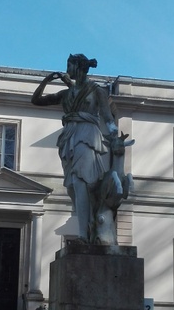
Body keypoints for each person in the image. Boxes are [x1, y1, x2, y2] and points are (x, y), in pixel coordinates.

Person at [31, 54, 119, 243]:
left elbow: (107, 116)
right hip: (69, 137)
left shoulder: (96, 91)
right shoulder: (66, 94)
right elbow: (36, 100)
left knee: (80, 183)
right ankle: (89, 227)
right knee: (72, 187)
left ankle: (83, 236)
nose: (66, 70)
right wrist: (46, 80)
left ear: (78, 67)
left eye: (69, 65)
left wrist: (115, 136)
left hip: (87, 135)